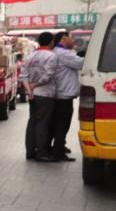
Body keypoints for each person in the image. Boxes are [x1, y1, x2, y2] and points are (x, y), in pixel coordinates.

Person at [22, 32, 58, 162]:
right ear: (51, 42)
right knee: (43, 124)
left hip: (33, 95)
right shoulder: (51, 56)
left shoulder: (30, 56)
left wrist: (29, 90)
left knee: (32, 122)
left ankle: (30, 152)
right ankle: (41, 153)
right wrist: (35, 85)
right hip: (45, 94)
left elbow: (24, 76)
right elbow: (47, 76)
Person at [51, 31, 83, 161]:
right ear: (64, 39)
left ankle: (59, 146)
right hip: (63, 96)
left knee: (61, 124)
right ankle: (58, 152)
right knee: (62, 124)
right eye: (71, 38)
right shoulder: (63, 53)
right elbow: (80, 63)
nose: (73, 40)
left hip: (62, 94)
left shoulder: (60, 52)